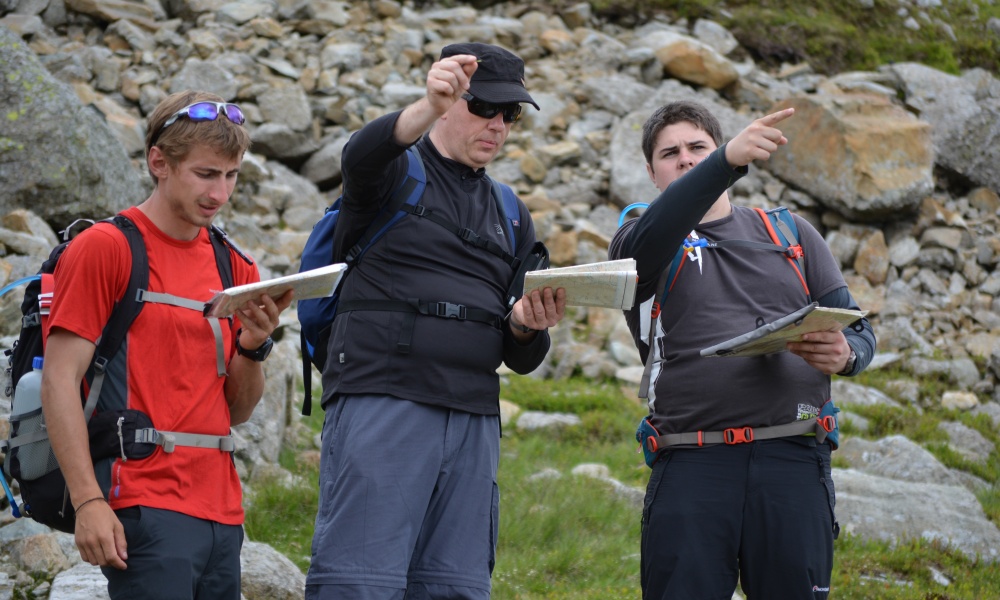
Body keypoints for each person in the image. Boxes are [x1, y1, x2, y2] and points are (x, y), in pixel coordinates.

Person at [305, 42, 566, 599]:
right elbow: (358, 156)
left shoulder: (511, 212)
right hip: (383, 396)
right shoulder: (395, 173)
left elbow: (522, 355)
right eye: (484, 107)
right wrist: (423, 105)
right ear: (448, 100)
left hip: (473, 417)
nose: (497, 124)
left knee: (455, 587)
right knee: (360, 583)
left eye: (510, 113)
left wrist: (526, 325)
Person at [609, 100, 876, 599]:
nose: (685, 159)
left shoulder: (791, 233)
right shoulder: (636, 243)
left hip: (794, 459)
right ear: (651, 171)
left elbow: (860, 330)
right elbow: (642, 252)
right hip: (691, 461)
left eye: (698, 148)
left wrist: (845, 355)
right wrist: (723, 161)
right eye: (670, 153)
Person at [41, 90, 292, 599]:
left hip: (222, 511)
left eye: (231, 175)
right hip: (142, 503)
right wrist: (89, 500)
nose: (220, 194)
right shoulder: (106, 249)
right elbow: (59, 379)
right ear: (159, 162)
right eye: (206, 174)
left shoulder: (234, 267)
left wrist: (253, 345)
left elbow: (237, 413)